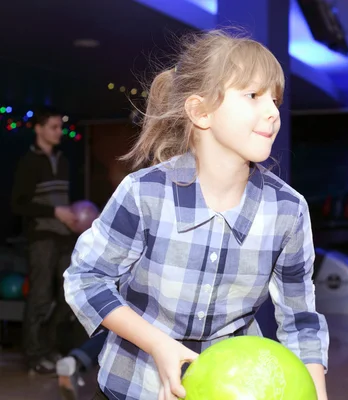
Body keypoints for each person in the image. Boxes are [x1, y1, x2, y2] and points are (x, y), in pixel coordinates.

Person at [64, 29, 330, 400]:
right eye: (253, 96)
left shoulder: (288, 209)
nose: (272, 112)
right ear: (200, 112)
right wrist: (159, 344)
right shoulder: (146, 192)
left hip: (233, 390)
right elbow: (86, 279)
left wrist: (317, 393)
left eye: (275, 99)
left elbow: (301, 323)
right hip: (134, 387)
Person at [11, 106, 79, 374]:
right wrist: (54, 212)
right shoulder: (28, 163)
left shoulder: (63, 160)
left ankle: (50, 347)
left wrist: (70, 214)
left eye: (59, 126)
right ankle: (34, 354)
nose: (58, 131)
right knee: (39, 297)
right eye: (52, 127)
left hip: (64, 237)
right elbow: (18, 205)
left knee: (67, 296)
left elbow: (61, 201)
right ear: (39, 129)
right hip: (41, 238)